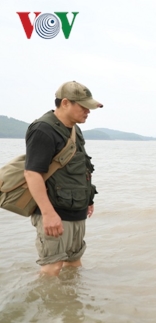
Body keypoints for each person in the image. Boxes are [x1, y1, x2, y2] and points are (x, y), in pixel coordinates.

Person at [24, 81, 102, 276]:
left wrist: (88, 200)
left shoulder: (75, 130)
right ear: (65, 103)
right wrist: (48, 214)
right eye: (83, 107)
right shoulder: (43, 130)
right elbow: (32, 174)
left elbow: (82, 167)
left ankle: (71, 306)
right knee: (52, 268)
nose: (88, 112)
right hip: (54, 212)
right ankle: (48, 306)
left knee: (73, 264)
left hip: (76, 210)